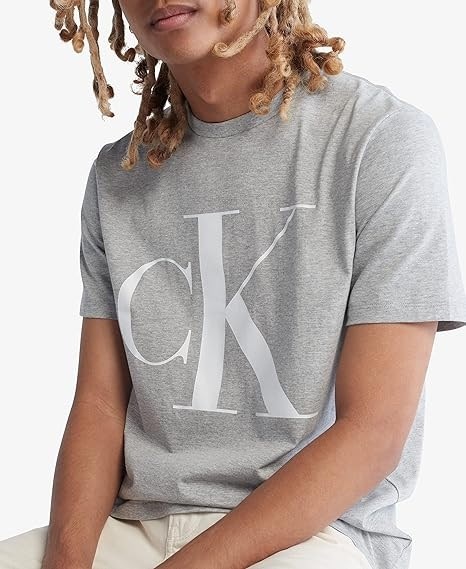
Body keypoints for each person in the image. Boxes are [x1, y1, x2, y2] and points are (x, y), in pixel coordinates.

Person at [1, 1, 465, 568]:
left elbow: (373, 431)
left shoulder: (380, 139)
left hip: (312, 536)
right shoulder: (118, 176)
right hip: (138, 524)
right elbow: (99, 405)